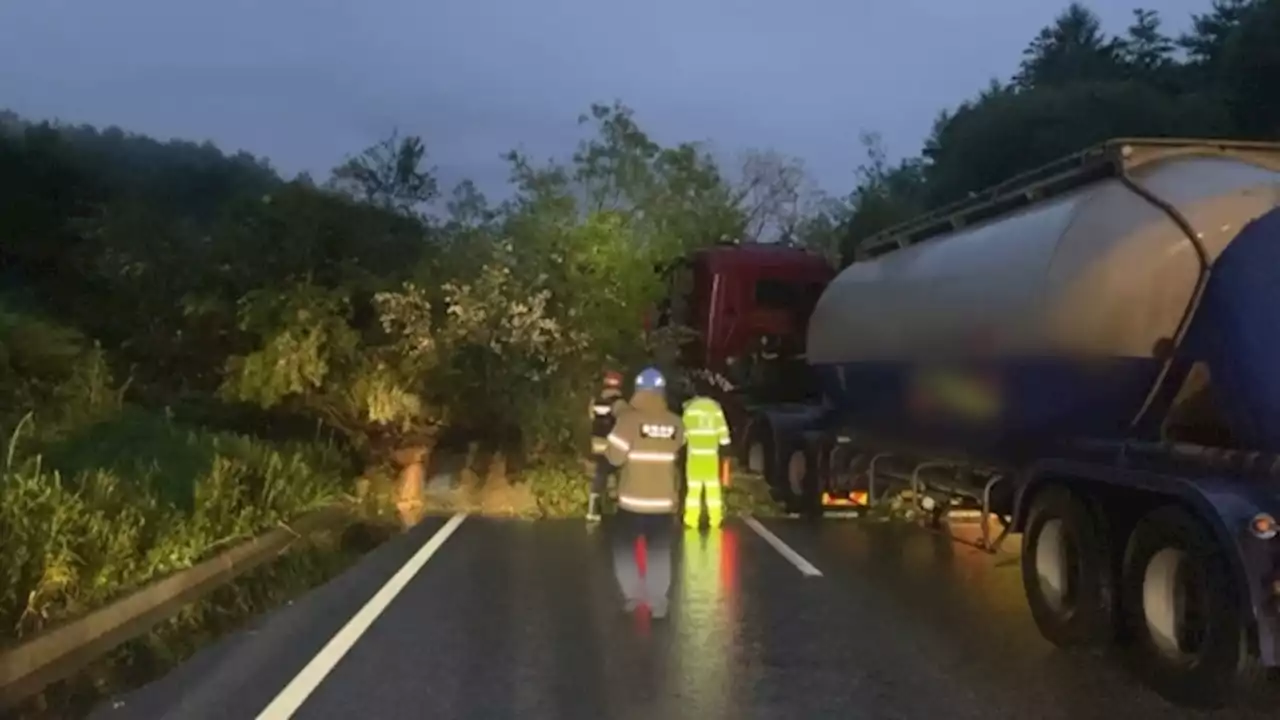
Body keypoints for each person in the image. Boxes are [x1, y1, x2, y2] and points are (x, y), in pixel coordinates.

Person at [604, 366, 684, 619]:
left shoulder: (628, 421)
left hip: (632, 501)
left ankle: (634, 596)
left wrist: (620, 414)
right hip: (662, 502)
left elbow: (614, 458)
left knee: (625, 550)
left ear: (637, 391)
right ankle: (657, 602)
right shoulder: (675, 422)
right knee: (659, 552)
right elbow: (676, 444)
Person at [681, 395, 732, 529]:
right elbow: (724, 435)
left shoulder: (690, 410)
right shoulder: (715, 409)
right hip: (711, 458)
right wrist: (726, 450)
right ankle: (715, 520)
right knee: (713, 490)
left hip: (694, 458)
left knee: (693, 491)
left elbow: (682, 436)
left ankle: (691, 520)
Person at [587, 370, 628, 523]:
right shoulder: (620, 403)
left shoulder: (596, 400)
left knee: (600, 474)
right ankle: (620, 509)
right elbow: (626, 422)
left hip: (597, 444)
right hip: (613, 444)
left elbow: (592, 417)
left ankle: (593, 511)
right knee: (622, 474)